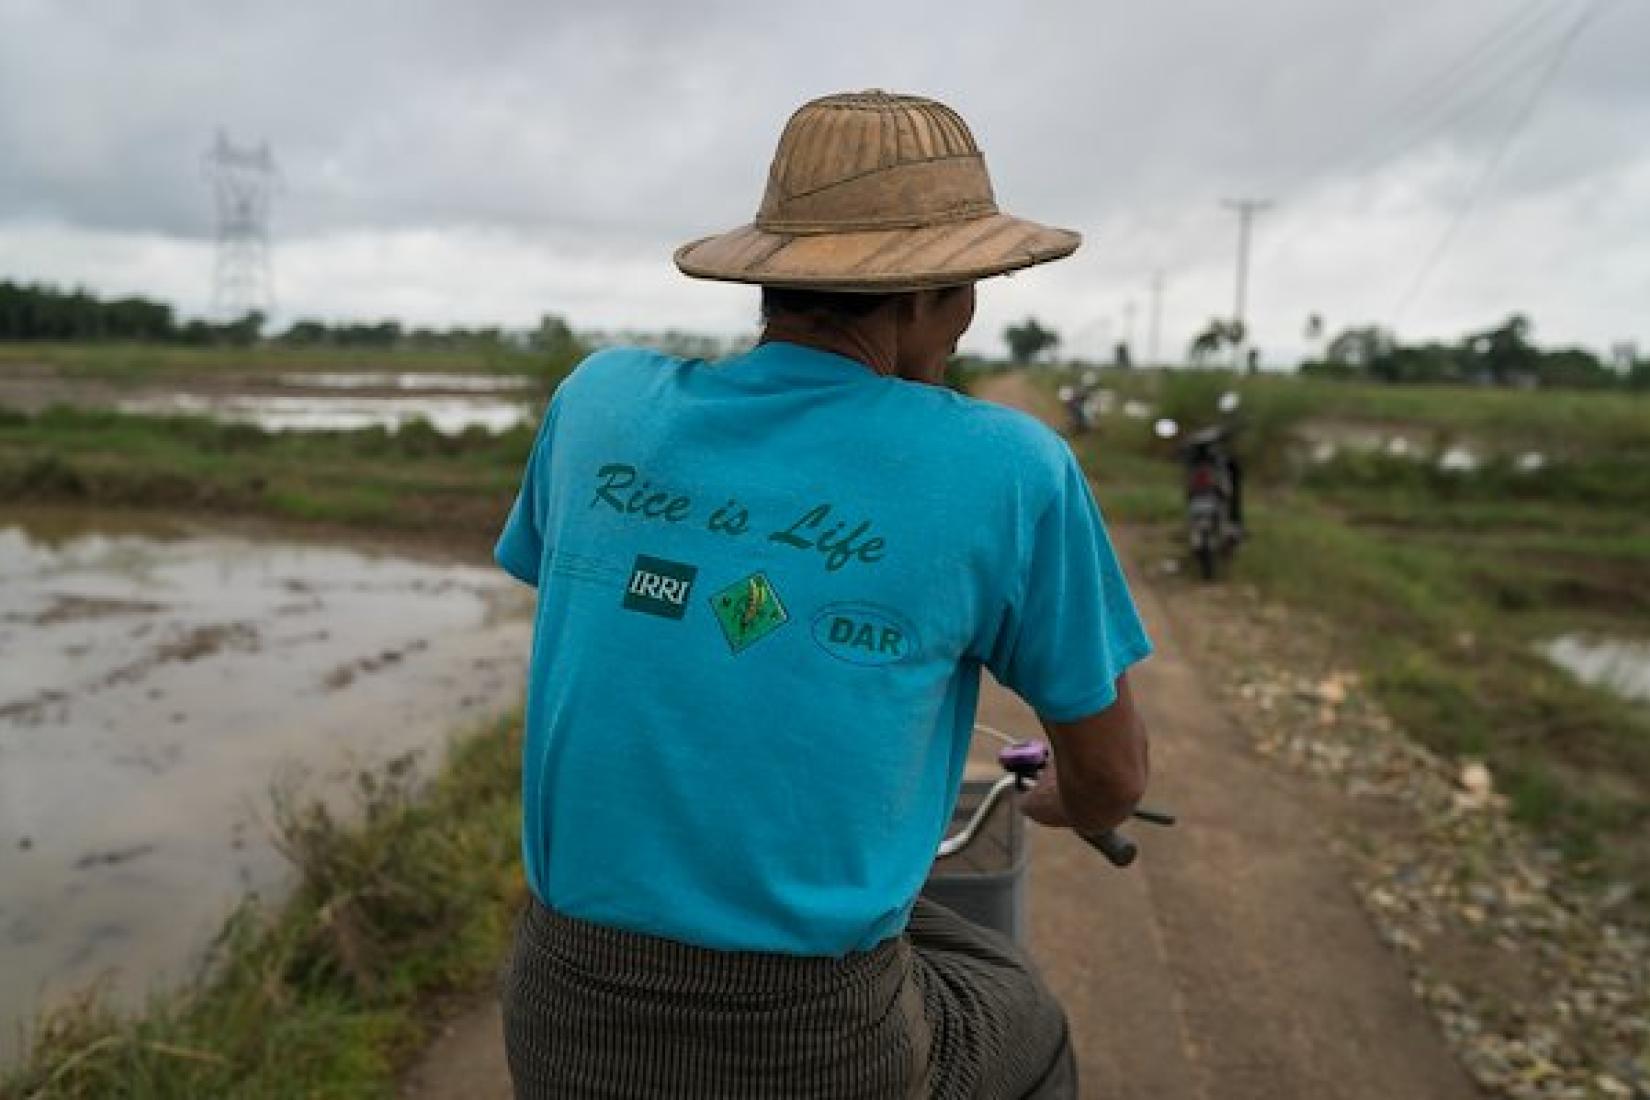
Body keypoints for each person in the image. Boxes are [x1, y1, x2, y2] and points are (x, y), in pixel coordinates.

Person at [494, 90, 1153, 1099]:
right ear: (941, 294)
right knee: (1023, 1013)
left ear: (775, 277)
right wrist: (1069, 799)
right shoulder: (1008, 467)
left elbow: (624, 614)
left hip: (558, 1004)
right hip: (810, 1040)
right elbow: (1112, 777)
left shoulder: (598, 401)